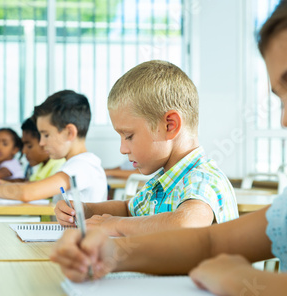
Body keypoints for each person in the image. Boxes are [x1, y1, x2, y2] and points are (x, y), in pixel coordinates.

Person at [51, 1, 287, 294]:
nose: (286, 118)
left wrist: (246, 282)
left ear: (170, 125)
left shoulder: (201, 179)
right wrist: (109, 254)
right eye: (282, 99)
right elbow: (210, 242)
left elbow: (189, 228)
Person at [54, 60, 239, 237]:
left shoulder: (202, 179)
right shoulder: (160, 183)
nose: (122, 149)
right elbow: (128, 210)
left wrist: (117, 225)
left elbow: (185, 224)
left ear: (170, 126)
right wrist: (86, 210)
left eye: (129, 136)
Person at [0, 90, 108, 203]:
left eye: (46, 135)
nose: (41, 143)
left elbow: (28, 193)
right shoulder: (75, 164)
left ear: (70, 132)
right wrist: (3, 187)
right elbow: (32, 185)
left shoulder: (83, 166)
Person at [21, 117, 65, 182]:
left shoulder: (59, 166)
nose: (23, 151)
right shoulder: (42, 165)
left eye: (29, 146)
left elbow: (50, 189)